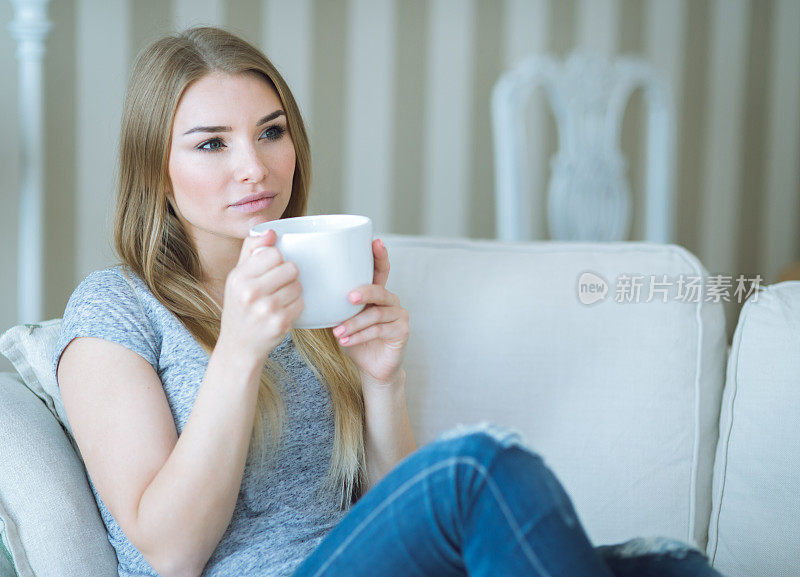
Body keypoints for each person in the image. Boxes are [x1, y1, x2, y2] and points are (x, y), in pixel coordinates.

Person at [53, 26, 725, 577]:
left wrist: (381, 382)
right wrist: (237, 352)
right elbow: (170, 553)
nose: (255, 166)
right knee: (474, 467)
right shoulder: (114, 310)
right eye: (211, 144)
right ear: (157, 173)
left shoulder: (310, 289)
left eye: (271, 131)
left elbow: (387, 508)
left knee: (671, 566)